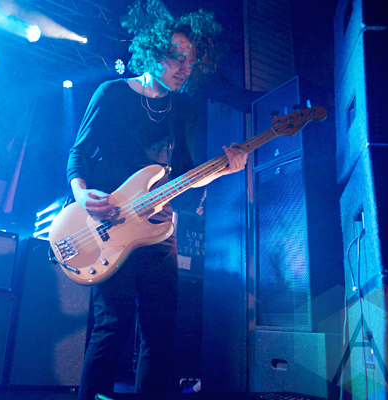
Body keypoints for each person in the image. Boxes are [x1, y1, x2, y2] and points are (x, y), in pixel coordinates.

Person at [66, 1, 247, 399]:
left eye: (191, 61)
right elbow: (78, 153)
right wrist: (81, 194)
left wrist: (224, 169)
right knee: (112, 325)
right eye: (176, 57)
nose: (185, 68)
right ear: (151, 50)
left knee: (160, 330)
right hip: (109, 222)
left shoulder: (184, 109)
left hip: (158, 228)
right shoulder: (112, 93)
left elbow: (184, 176)